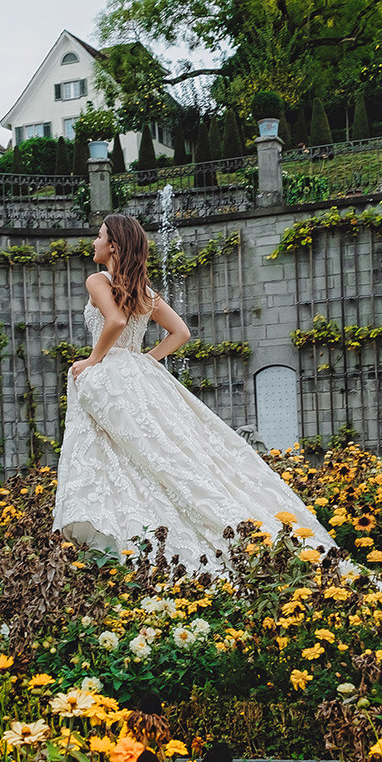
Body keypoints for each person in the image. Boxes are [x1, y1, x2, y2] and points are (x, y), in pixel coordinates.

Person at [54, 213, 330, 571]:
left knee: (118, 451)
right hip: (136, 372)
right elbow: (181, 333)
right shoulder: (145, 292)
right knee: (167, 449)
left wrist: (94, 359)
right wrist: (143, 361)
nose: (94, 241)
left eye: (100, 235)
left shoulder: (97, 280)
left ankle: (123, 538)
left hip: (110, 373)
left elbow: (116, 321)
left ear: (114, 246)